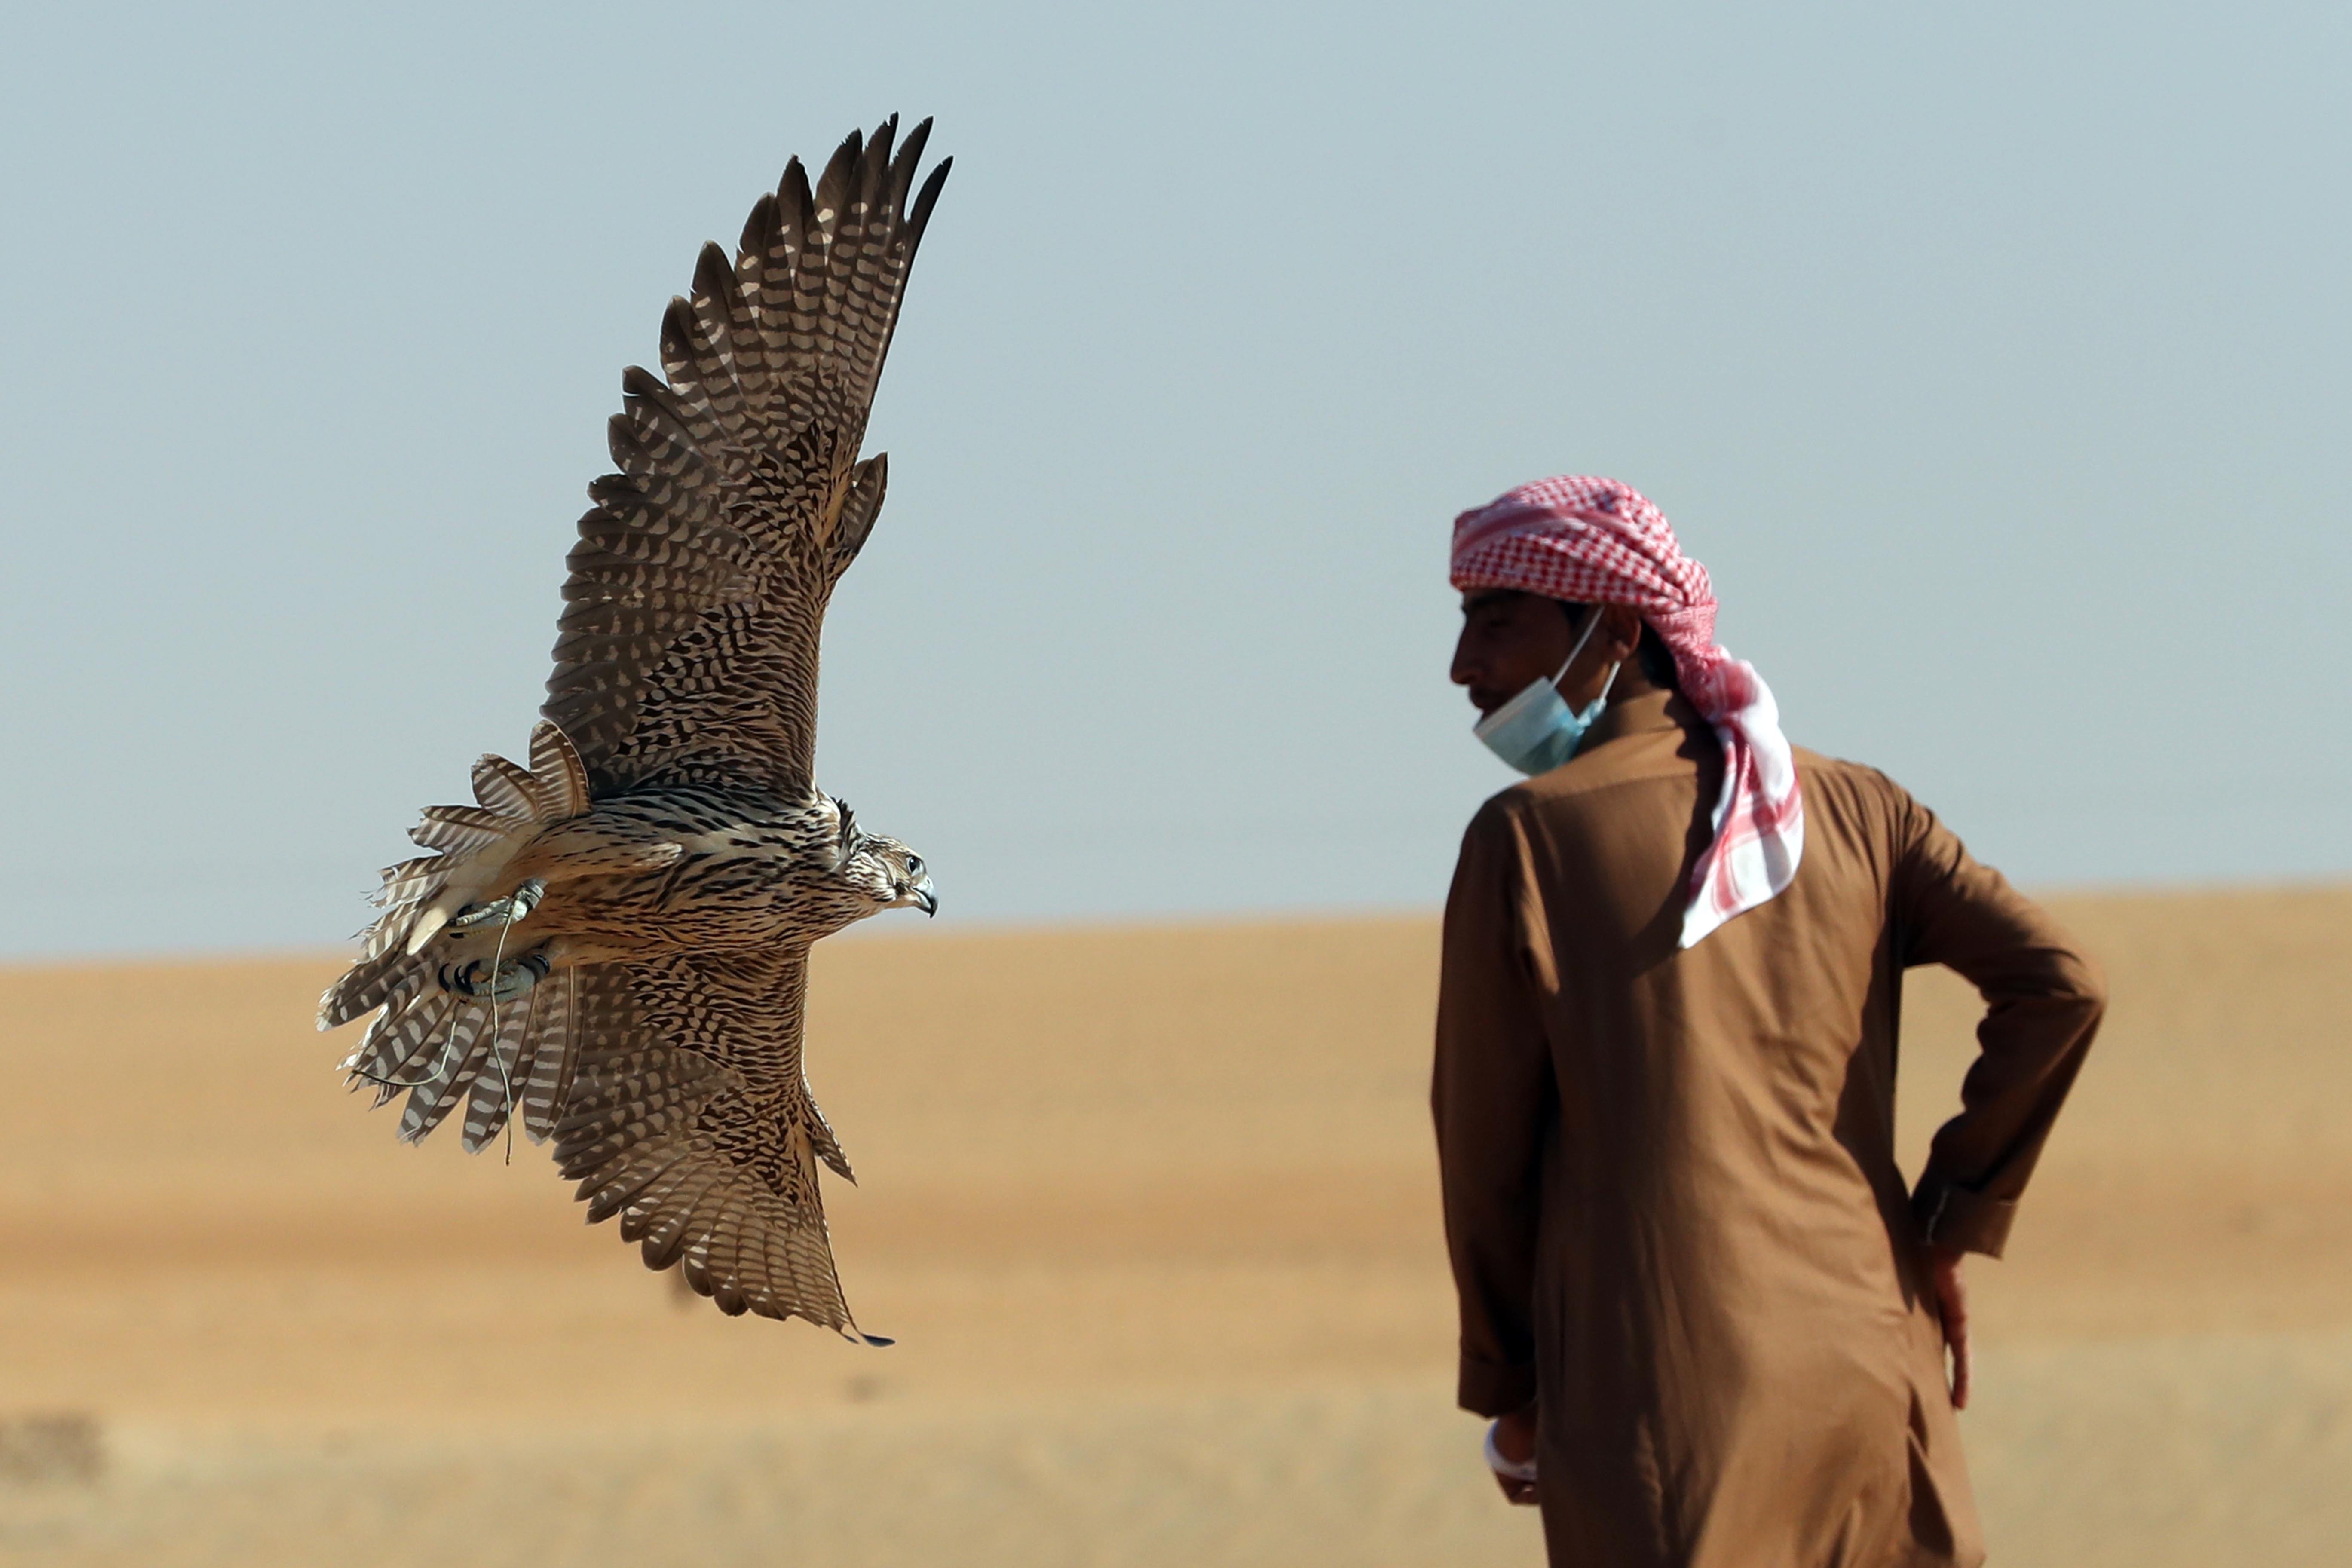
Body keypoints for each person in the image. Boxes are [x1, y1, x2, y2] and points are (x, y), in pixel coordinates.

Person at [1432, 475, 2105, 1568]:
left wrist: (1512, 1391)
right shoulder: (1857, 809)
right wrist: (1949, 1222)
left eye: (1495, 624)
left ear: (1608, 628)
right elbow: (2063, 984)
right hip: (1875, 1376)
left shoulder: (1527, 843)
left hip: (1666, 1398)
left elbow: (1487, 1156)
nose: (1463, 668)